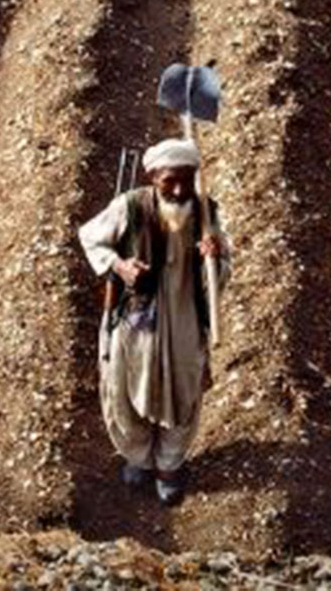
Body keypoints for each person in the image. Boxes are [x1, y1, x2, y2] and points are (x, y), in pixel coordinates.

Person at [78, 138, 231, 505]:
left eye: (186, 179)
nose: (178, 189)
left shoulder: (207, 212)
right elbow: (90, 238)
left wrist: (215, 257)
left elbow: (221, 275)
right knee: (124, 394)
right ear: (153, 177)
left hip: (184, 323)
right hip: (135, 323)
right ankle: (138, 458)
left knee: (181, 397)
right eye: (169, 181)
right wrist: (120, 266)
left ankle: (169, 466)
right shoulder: (129, 206)